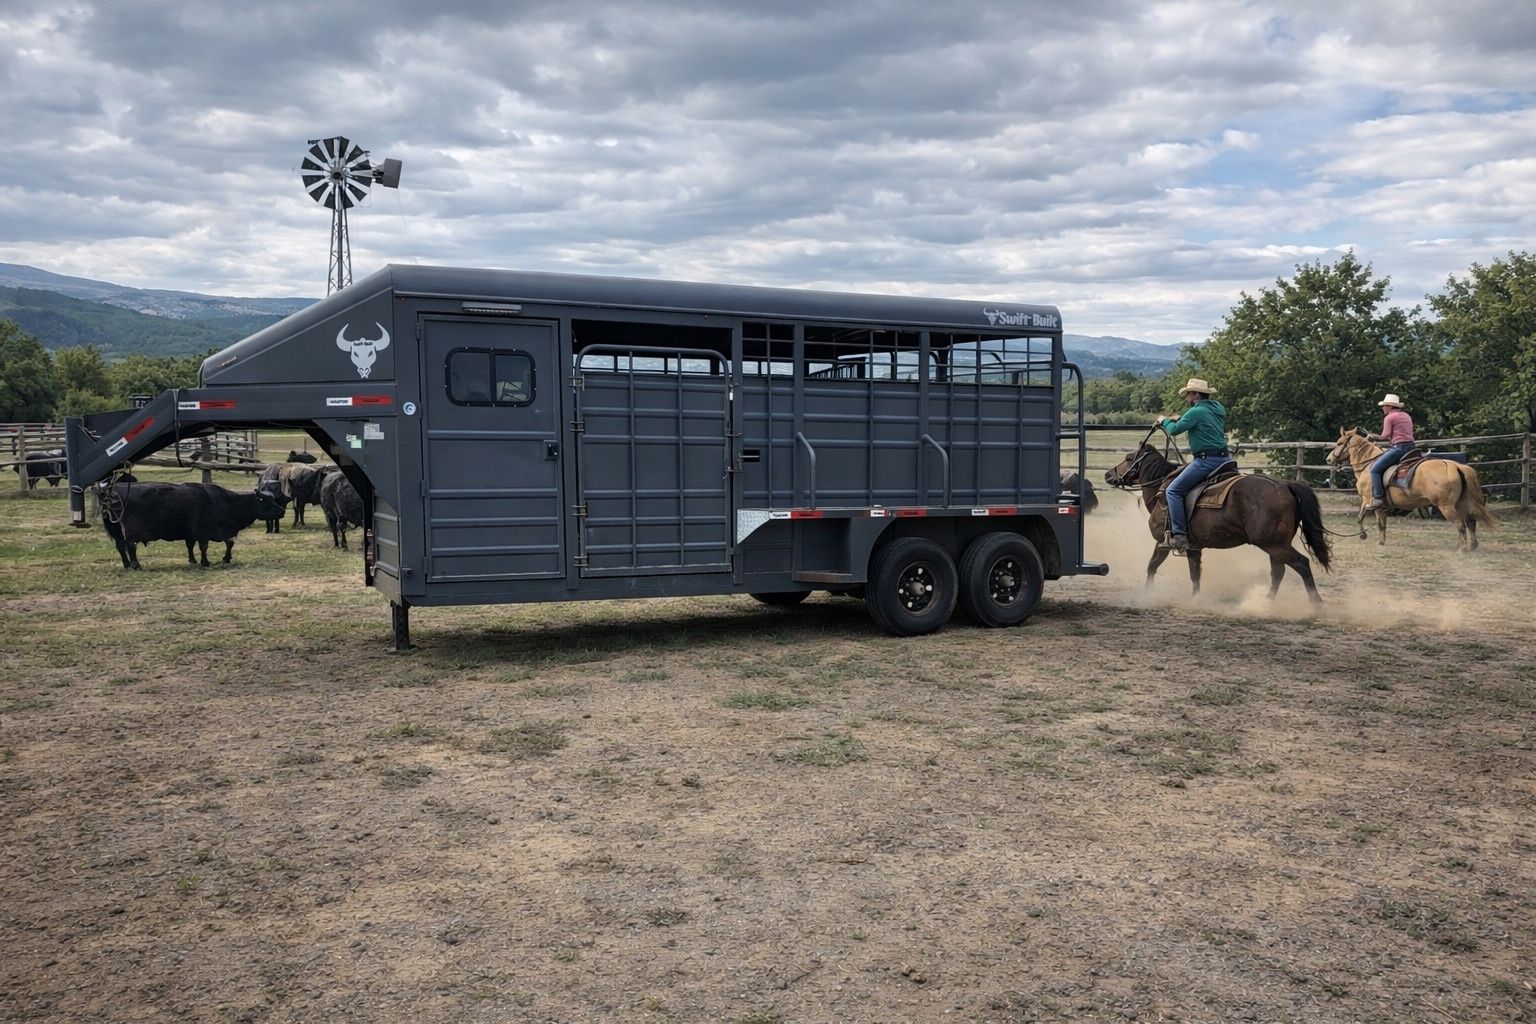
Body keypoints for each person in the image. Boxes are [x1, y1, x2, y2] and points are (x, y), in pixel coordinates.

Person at [1155, 377, 1229, 553]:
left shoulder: (1196, 412)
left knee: (1173, 491)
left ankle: (1180, 535)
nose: (1186, 397)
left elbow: (1174, 430)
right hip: (1225, 459)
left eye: (1188, 394)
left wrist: (1163, 420)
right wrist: (1179, 418)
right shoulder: (1217, 409)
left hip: (1206, 461)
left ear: (1196, 395)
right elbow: (1198, 420)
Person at [1364, 393, 1415, 510]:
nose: (1383, 408)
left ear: (1389, 406)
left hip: (1399, 448)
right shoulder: (1406, 415)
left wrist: (1373, 436)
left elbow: (1386, 435)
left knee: (1374, 470)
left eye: (1384, 406)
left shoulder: (1389, 417)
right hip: (1411, 447)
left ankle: (1378, 498)